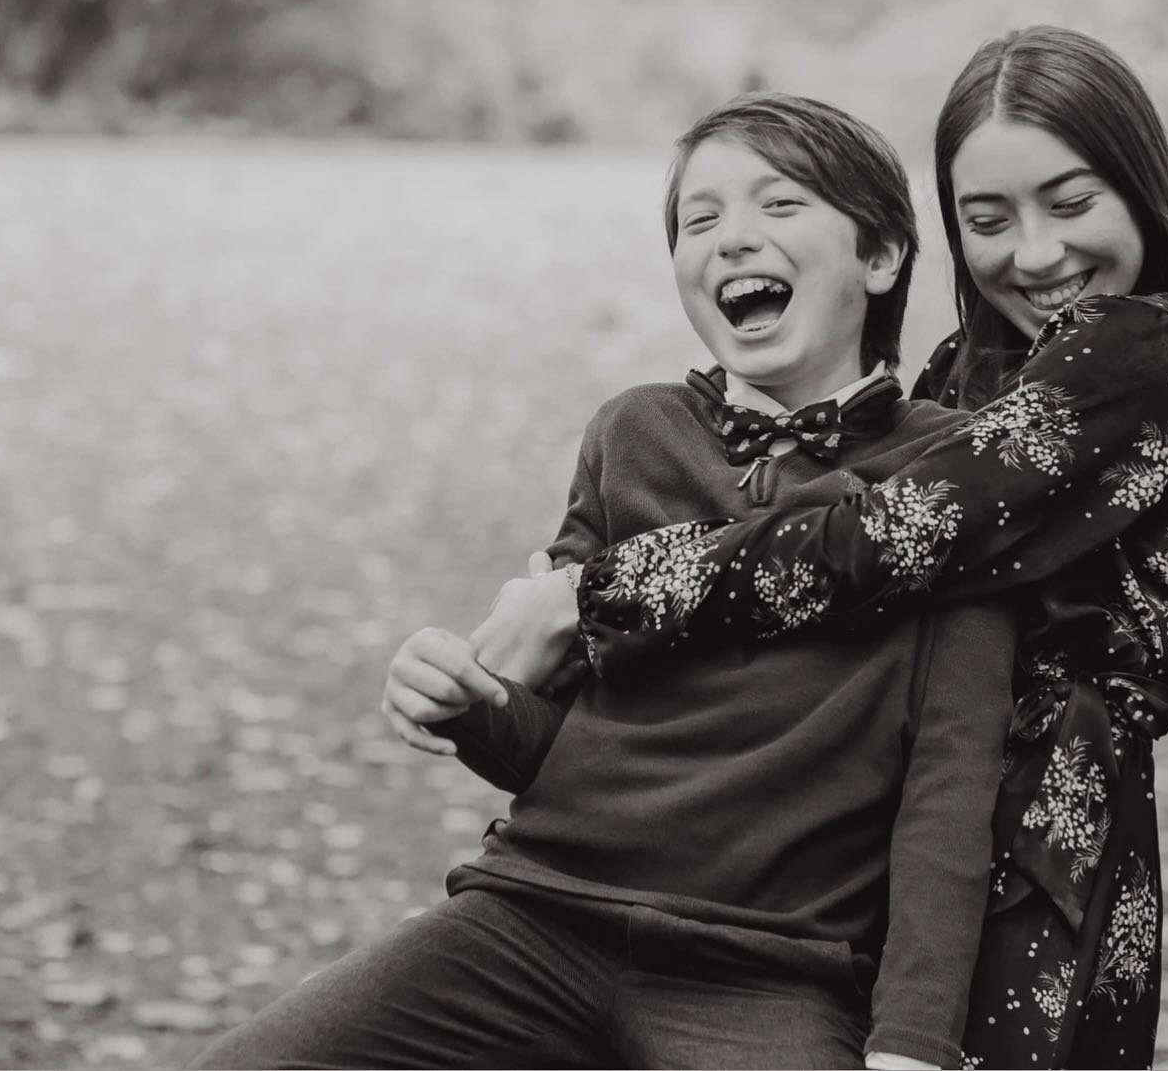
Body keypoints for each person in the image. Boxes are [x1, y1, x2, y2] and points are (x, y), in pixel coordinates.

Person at [467, 25, 1168, 1070]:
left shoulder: (1134, 350)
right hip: (871, 831)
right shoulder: (972, 369)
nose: (1033, 252)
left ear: (1140, 190)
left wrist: (597, 593)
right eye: (986, 218)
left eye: (1069, 203)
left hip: (1026, 836)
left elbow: (884, 536)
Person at [192, 94, 1016, 1070]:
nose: (732, 237)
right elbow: (560, 744)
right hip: (530, 918)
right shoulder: (632, 433)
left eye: (780, 204)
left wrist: (911, 1044)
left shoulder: (951, 478)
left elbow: (950, 785)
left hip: (761, 973)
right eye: (698, 220)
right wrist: (471, 703)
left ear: (878, 255)